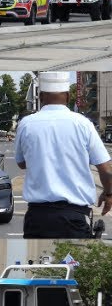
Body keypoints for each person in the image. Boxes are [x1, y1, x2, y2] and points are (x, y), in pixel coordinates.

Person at [15, 72, 112, 238]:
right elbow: (105, 169)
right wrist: (109, 193)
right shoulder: (83, 124)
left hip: (37, 217)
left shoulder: (26, 124)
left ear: (41, 96)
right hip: (74, 216)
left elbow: (21, 163)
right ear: (67, 96)